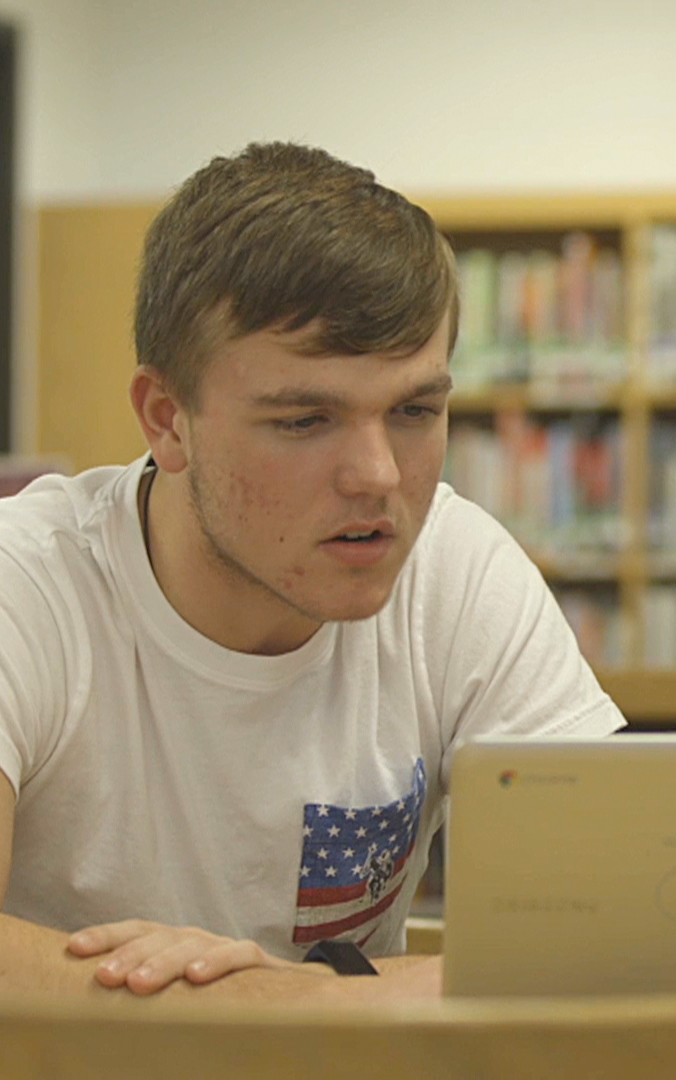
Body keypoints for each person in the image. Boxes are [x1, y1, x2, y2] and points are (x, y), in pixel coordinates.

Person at [0, 143, 624, 1000]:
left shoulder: (456, 567)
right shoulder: (25, 584)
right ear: (167, 420)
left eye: (414, 410)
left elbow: (621, 939)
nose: (376, 475)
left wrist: (287, 1000)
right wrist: (297, 1005)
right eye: (304, 421)